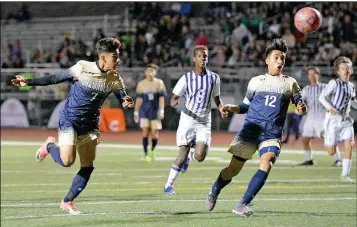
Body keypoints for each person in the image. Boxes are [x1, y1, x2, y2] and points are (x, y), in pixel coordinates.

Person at [11, 37, 134, 214]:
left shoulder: (114, 78)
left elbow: (123, 97)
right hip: (70, 120)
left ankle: (67, 201)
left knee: (87, 166)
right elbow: (55, 78)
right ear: (103, 58)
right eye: (115, 56)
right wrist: (29, 82)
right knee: (68, 161)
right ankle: (49, 146)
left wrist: (127, 101)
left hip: (90, 126)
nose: (119, 60)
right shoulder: (82, 67)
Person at [205, 38, 307, 216]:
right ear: (267, 60)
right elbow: (244, 107)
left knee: (267, 162)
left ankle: (242, 204)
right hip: (251, 130)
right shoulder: (256, 81)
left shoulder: (291, 83)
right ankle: (215, 189)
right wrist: (231, 107)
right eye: (276, 57)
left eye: (283, 58)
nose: (280, 61)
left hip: (272, 133)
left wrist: (302, 108)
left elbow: (300, 105)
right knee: (233, 170)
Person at [163, 45, 228, 195]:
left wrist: (221, 108)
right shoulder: (186, 78)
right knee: (182, 154)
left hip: (204, 121)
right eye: (199, 56)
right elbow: (175, 96)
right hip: (188, 119)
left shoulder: (214, 78)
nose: (203, 58)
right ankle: (168, 185)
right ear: (194, 59)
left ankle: (191, 157)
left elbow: (216, 97)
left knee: (200, 156)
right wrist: (173, 101)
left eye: (205, 56)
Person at [319, 56, 357, 183]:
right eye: (343, 69)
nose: (346, 71)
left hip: (346, 120)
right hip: (333, 120)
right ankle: (326, 135)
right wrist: (330, 107)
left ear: (351, 70)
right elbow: (322, 97)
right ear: (338, 71)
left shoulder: (351, 86)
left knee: (349, 145)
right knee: (331, 152)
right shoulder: (334, 83)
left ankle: (344, 175)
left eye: (348, 68)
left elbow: (353, 102)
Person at [298, 67, 341, 166]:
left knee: (328, 139)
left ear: (318, 75)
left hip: (322, 118)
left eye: (314, 74)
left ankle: (338, 160)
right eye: (309, 74)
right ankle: (309, 160)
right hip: (310, 118)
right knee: (305, 139)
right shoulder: (306, 89)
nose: (311, 76)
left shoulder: (325, 87)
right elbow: (300, 100)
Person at [134, 63, 166, 162]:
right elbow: (139, 99)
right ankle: (145, 153)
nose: (150, 72)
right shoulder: (141, 84)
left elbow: (161, 98)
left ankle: (152, 149)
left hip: (155, 111)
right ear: (145, 72)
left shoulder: (159, 83)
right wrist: (136, 111)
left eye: (152, 71)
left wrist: (161, 110)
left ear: (155, 72)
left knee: (154, 133)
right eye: (148, 70)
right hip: (144, 111)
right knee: (145, 132)